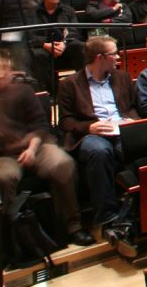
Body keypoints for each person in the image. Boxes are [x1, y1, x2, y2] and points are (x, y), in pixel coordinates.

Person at [0, 49, 93, 246]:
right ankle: (10, 240)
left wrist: (31, 149)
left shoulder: (22, 90)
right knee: (3, 177)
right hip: (2, 154)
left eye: (6, 68)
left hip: (37, 145)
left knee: (62, 163)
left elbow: (40, 125)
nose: (3, 72)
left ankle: (72, 226)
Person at [56, 34, 140, 254]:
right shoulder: (69, 84)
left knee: (137, 147)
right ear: (100, 57)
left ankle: (135, 212)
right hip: (91, 134)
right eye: (114, 54)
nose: (118, 58)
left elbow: (131, 107)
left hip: (120, 129)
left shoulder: (121, 77)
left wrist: (130, 120)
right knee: (100, 152)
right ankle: (108, 216)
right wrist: (89, 127)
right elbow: (64, 121)